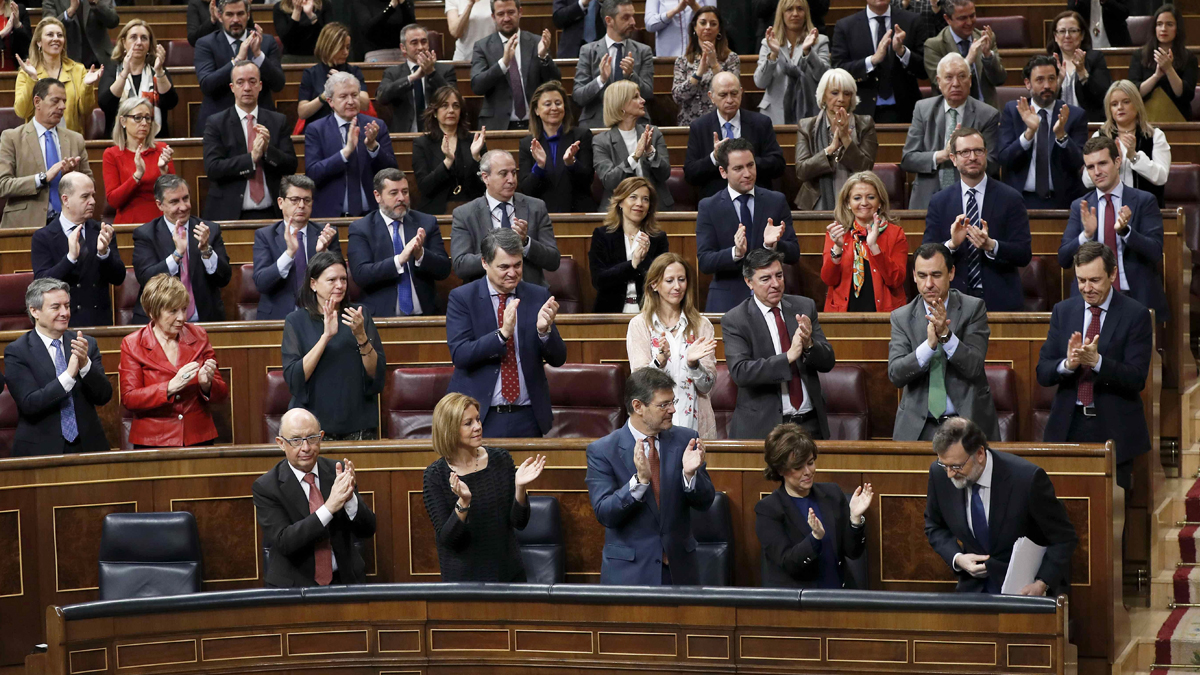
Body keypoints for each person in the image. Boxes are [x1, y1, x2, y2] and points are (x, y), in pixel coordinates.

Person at [585, 366, 716, 585]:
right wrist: (639, 482)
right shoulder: (603, 451)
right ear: (638, 406)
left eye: (672, 402)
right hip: (629, 574)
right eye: (663, 405)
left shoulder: (686, 439)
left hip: (679, 572)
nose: (673, 410)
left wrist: (690, 475)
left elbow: (705, 502)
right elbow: (605, 513)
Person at [1038, 242, 1152, 489]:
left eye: (1094, 280)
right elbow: (1043, 372)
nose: (1086, 288)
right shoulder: (1063, 311)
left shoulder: (1136, 314)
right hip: (1068, 426)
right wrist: (1067, 365)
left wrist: (1097, 362)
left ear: (1112, 274)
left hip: (1114, 429)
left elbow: (1137, 377)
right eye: (1081, 280)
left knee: (1112, 515)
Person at [924, 416, 1077, 595]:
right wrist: (958, 558)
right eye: (944, 465)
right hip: (972, 591)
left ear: (980, 454)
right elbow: (934, 525)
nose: (950, 474)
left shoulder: (1026, 479)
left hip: (1023, 591)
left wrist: (1041, 584)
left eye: (956, 466)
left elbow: (1064, 538)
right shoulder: (939, 474)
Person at [445, 228, 567, 438]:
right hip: (480, 416)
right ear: (485, 263)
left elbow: (558, 359)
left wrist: (544, 331)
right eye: (504, 267)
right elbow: (460, 354)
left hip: (528, 416)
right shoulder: (463, 298)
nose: (513, 272)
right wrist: (501, 335)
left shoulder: (537, 296)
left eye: (517, 265)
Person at [422, 392, 547, 581]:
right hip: (464, 582)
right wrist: (464, 503)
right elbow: (449, 540)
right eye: (468, 423)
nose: (478, 427)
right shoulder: (435, 476)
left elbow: (519, 523)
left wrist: (520, 489)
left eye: (478, 420)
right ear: (449, 429)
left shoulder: (501, 460)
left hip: (507, 575)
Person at [252, 407, 378, 587]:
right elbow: (285, 541)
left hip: (344, 582)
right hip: (294, 587)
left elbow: (367, 529)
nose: (306, 448)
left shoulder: (337, 472)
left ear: (321, 437)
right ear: (281, 443)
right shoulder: (267, 487)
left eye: (312, 439)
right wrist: (329, 508)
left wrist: (350, 499)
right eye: (296, 441)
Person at [888, 243, 998, 441]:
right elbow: (896, 374)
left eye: (936, 275)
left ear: (951, 273)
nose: (929, 284)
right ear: (913, 276)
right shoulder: (901, 317)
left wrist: (946, 336)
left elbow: (974, 366)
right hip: (918, 428)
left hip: (965, 425)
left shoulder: (972, 309)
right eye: (922, 276)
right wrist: (929, 346)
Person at [722, 248, 835, 439]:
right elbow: (741, 372)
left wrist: (808, 345)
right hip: (764, 428)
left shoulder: (804, 307)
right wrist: (788, 358)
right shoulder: (735, 319)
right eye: (765, 279)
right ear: (749, 282)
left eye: (779, 276)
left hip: (809, 425)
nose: (775, 284)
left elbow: (827, 361)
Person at [1059, 135, 1168, 323]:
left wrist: (1126, 232)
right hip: (1092, 302)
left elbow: (1156, 252)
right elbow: (1063, 258)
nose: (1097, 172)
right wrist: (1086, 235)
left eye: (1102, 163)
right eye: (1091, 167)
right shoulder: (1081, 206)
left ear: (1117, 162)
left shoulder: (1144, 201)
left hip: (1135, 297)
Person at [282, 251, 387, 440]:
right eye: (332, 280)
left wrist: (361, 336)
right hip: (314, 428)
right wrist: (326, 337)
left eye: (343, 279)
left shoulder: (359, 316)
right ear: (313, 284)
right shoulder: (296, 321)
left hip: (358, 423)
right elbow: (294, 377)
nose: (340, 285)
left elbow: (376, 373)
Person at [923, 127, 1031, 311]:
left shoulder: (1010, 198)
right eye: (965, 152)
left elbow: (1023, 254)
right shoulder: (939, 202)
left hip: (1000, 301)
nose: (972, 157)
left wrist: (992, 246)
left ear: (986, 154)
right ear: (953, 159)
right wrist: (951, 245)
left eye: (978, 151)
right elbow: (926, 255)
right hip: (953, 302)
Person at [4, 277, 111, 456]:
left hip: (89, 447)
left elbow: (104, 396)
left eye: (67, 306)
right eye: (56, 307)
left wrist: (85, 366)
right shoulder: (18, 351)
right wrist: (68, 376)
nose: (65, 313)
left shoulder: (85, 344)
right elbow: (29, 404)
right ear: (35, 311)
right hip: (40, 451)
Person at [119, 273, 228, 448]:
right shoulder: (133, 344)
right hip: (153, 441)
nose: (182, 318)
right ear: (153, 312)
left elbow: (222, 393)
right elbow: (130, 399)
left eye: (184, 309)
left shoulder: (199, 336)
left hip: (198, 438)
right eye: (173, 311)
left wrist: (207, 385)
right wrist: (169, 387)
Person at [756, 424, 872, 588]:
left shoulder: (832, 494)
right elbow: (788, 563)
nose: (808, 471)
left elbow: (853, 553)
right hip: (801, 603)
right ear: (781, 470)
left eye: (810, 463)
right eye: (798, 467)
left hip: (841, 596)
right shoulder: (768, 510)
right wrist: (815, 538)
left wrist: (855, 520)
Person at [696, 137, 799, 313]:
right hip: (727, 300)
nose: (747, 173)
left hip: (770, 299)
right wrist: (735, 253)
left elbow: (794, 253)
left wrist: (772, 245)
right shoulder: (709, 206)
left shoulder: (776, 201)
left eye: (750, 165)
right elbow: (705, 261)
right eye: (738, 168)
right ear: (723, 171)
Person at [625, 253, 718, 437]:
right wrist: (659, 361)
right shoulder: (639, 325)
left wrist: (694, 365)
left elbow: (707, 386)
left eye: (681, 279)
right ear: (654, 284)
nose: (677, 287)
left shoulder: (702, 325)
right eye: (669, 281)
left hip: (696, 427)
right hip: (654, 429)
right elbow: (639, 386)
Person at [900, 53, 999, 210]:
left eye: (961, 76)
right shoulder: (922, 109)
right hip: (927, 199)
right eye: (949, 77)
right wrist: (943, 155)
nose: (956, 83)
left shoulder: (987, 115)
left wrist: (964, 155)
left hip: (972, 199)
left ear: (970, 80)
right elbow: (908, 159)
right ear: (938, 82)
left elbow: (992, 164)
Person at [202, 61, 299, 222]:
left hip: (272, 213)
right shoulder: (216, 122)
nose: (247, 88)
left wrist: (267, 150)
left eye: (252, 81)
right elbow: (212, 168)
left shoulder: (277, 121)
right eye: (240, 82)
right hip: (230, 213)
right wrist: (250, 158)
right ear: (232, 87)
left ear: (260, 86)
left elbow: (291, 166)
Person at [348, 168, 452, 317]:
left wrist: (421, 255)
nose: (401, 198)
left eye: (405, 192)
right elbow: (361, 274)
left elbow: (444, 270)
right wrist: (398, 260)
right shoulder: (361, 229)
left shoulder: (426, 222)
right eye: (393, 193)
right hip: (381, 318)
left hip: (425, 316)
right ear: (377, 196)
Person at [450, 149, 560, 287]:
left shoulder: (536, 207)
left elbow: (553, 260)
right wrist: (496, 255)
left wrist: (525, 242)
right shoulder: (465, 214)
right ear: (485, 177)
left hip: (529, 294)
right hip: (484, 296)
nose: (511, 180)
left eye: (513, 173)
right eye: (503, 174)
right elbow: (461, 265)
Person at [132, 175, 233, 323]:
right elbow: (147, 279)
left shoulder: (209, 229)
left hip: (205, 322)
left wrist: (206, 250)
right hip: (159, 323)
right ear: (159, 205)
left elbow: (224, 278)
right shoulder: (146, 235)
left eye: (185, 198)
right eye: (174, 202)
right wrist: (177, 255)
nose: (184, 206)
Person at [31, 173, 124, 328]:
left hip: (99, 323)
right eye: (85, 196)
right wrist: (70, 259)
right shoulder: (43, 237)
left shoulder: (102, 231)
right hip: (63, 325)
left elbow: (119, 277)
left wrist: (104, 254)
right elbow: (41, 284)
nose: (93, 202)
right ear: (65, 199)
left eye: (93, 196)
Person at [997, 55, 1087, 210]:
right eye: (1040, 80)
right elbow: (1004, 158)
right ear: (1028, 83)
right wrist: (1028, 134)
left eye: (1052, 79)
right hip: (1019, 200)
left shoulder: (1073, 115)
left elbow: (1078, 163)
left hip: (1062, 202)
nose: (1047, 85)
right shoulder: (1013, 111)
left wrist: (1061, 136)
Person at [0, 77, 91, 229]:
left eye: (64, 101)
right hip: (25, 224)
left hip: (69, 225)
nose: (62, 106)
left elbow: (91, 185)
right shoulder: (12, 138)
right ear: (37, 102)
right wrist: (42, 178)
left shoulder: (76, 139)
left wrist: (72, 176)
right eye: (55, 101)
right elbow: (3, 185)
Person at [305, 71, 398, 219]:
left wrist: (373, 147)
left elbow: (392, 171)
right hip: (332, 217)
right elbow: (313, 174)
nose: (350, 101)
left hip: (372, 216)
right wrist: (345, 153)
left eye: (354, 95)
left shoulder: (375, 126)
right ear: (330, 101)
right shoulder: (316, 129)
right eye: (343, 96)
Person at [683, 71, 786, 199]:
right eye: (723, 95)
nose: (730, 100)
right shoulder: (700, 127)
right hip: (716, 202)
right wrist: (714, 158)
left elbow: (778, 165)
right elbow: (690, 174)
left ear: (741, 92)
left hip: (756, 197)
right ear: (711, 97)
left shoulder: (760, 123)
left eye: (734, 93)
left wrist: (747, 163)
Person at [252, 175, 341, 321]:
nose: (301, 206)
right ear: (281, 202)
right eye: (294, 200)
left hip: (319, 316)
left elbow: (339, 282)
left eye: (307, 200)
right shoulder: (265, 236)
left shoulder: (327, 234)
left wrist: (323, 254)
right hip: (278, 318)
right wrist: (289, 254)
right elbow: (261, 283)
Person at [193, 0, 285, 135]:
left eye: (240, 14)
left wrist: (258, 55)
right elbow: (207, 85)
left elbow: (278, 84)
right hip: (219, 124)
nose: (235, 20)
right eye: (229, 14)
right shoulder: (205, 44)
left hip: (260, 123)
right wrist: (237, 61)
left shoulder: (266, 42)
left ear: (248, 15)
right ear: (219, 16)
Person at [821, 171, 906, 312]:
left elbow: (896, 280)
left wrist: (874, 247)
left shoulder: (895, 234)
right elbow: (829, 280)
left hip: (885, 314)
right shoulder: (836, 234)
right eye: (857, 198)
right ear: (848, 203)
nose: (864, 203)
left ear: (880, 202)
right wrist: (837, 248)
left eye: (871, 197)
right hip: (843, 314)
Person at [830, 0, 927, 124]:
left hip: (905, 111)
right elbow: (838, 69)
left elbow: (925, 70)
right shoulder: (845, 26)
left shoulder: (912, 21)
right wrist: (872, 60)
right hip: (861, 111)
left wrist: (902, 52)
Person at [469, 0, 558, 132]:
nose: (506, 18)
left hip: (536, 124)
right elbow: (477, 86)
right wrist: (503, 64)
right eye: (500, 14)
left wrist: (543, 57)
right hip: (498, 126)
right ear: (493, 17)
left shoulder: (536, 42)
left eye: (511, 12)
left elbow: (555, 82)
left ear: (520, 12)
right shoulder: (482, 46)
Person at [794, 68, 876, 210]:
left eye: (847, 93)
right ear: (823, 95)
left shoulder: (865, 124)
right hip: (816, 202)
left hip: (857, 202)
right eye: (834, 93)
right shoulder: (807, 126)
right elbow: (802, 171)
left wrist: (845, 139)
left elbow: (865, 168)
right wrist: (830, 149)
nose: (841, 99)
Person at [1085, 80, 1170, 208]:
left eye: (1126, 102)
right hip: (1108, 210)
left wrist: (1134, 157)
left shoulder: (1154, 136)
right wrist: (1112, 163)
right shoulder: (1099, 136)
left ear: (1137, 104)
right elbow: (1087, 180)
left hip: (1145, 210)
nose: (1120, 107)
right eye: (1114, 104)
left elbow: (1161, 177)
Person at [591, 176, 669, 313]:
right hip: (610, 312)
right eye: (633, 197)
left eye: (645, 199)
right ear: (620, 202)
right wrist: (632, 264)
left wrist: (644, 261)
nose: (640, 203)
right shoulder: (602, 236)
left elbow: (661, 281)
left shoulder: (658, 238)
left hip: (649, 312)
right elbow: (599, 281)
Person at [573, 0, 655, 129]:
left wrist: (631, 75)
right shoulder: (588, 51)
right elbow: (579, 97)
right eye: (626, 18)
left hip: (635, 124)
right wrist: (601, 80)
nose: (633, 22)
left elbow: (648, 93)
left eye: (633, 16)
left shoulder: (643, 51)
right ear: (609, 20)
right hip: (598, 124)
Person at [517, 80, 596, 213]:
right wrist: (539, 167)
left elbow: (587, 181)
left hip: (577, 213)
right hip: (542, 215)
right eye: (548, 104)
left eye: (558, 103)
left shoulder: (581, 136)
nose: (554, 108)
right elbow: (526, 189)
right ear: (536, 110)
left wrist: (572, 163)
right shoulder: (527, 144)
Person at [593, 81, 672, 211]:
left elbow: (664, 174)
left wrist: (650, 152)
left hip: (655, 207)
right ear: (621, 104)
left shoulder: (653, 133)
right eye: (636, 97)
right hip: (619, 210)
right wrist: (635, 157)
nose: (643, 101)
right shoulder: (601, 141)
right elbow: (610, 181)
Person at [14, 18, 101, 135]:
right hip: (37, 142)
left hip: (70, 139)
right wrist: (32, 80)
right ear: (39, 42)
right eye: (50, 35)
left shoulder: (78, 70)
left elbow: (86, 111)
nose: (56, 38)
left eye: (59, 35)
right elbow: (22, 112)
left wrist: (87, 86)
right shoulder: (26, 73)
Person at [411, 86, 487, 216]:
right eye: (444, 106)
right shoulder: (422, 144)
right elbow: (425, 187)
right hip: (436, 210)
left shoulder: (474, 141)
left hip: (472, 209)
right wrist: (447, 162)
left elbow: (485, 185)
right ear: (435, 112)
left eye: (456, 106)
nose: (451, 110)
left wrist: (476, 159)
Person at [97, 20, 178, 138]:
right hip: (119, 142)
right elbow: (106, 104)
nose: (139, 42)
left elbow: (170, 102)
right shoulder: (112, 70)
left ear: (150, 45)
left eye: (144, 38)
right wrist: (124, 73)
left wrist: (160, 71)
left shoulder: (158, 70)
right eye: (133, 37)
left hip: (154, 141)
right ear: (124, 42)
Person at [104, 99, 177, 227]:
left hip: (160, 224)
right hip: (129, 226)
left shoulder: (161, 150)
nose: (144, 123)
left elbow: (174, 194)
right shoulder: (112, 154)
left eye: (147, 118)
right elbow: (113, 201)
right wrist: (137, 176)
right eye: (137, 118)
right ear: (123, 121)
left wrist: (164, 171)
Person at [754, 0, 828, 125]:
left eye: (800, 9)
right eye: (789, 9)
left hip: (811, 116)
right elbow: (760, 82)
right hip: (773, 116)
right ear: (781, 14)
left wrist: (808, 52)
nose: (795, 14)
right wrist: (773, 55)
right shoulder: (768, 43)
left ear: (806, 13)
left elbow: (824, 79)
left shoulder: (819, 41)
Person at [922, 0, 1003, 110]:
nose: (969, 22)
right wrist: (967, 61)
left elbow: (999, 79)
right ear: (947, 19)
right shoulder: (934, 46)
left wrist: (988, 56)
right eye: (962, 18)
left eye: (972, 16)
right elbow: (942, 85)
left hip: (986, 112)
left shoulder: (986, 38)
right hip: (953, 114)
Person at [377, 23, 456, 134]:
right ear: (403, 48)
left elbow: (454, 99)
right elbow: (381, 97)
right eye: (414, 43)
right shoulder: (393, 73)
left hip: (439, 135)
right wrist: (412, 77)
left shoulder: (445, 70)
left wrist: (432, 73)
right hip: (405, 135)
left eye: (424, 42)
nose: (420, 47)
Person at [671, 6, 740, 127]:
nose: (708, 27)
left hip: (722, 123)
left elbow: (734, 91)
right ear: (694, 27)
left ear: (719, 29)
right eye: (703, 23)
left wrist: (714, 65)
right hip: (690, 123)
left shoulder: (731, 58)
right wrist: (698, 74)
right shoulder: (683, 61)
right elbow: (678, 97)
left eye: (713, 24)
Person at [1128, 4, 1197, 123]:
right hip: (1145, 122)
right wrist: (1156, 76)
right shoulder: (1140, 55)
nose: (1163, 29)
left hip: (1178, 120)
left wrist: (1169, 69)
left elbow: (1185, 95)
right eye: (1159, 24)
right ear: (1154, 28)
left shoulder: (1189, 57)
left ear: (1177, 28)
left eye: (1169, 24)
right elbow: (1133, 93)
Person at [297, 23, 370, 126]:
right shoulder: (311, 74)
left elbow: (365, 104)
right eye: (341, 48)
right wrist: (325, 95)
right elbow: (302, 112)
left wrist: (345, 82)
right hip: (319, 129)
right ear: (328, 47)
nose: (346, 52)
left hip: (350, 127)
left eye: (348, 47)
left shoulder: (354, 71)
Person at [1048, 10, 1112, 124]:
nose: (1067, 36)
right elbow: (1042, 100)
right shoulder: (1049, 63)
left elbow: (1103, 97)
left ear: (1082, 35)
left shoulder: (1095, 59)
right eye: (1062, 31)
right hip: (1055, 125)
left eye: (1073, 31)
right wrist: (1058, 83)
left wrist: (1082, 73)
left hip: (1088, 124)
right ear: (1055, 36)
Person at [41, 0, 117, 69]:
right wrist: (70, 12)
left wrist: (96, 4)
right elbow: (48, 27)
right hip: (67, 60)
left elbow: (113, 21)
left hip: (101, 59)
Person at [349, 0, 417, 60]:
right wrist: (390, 8)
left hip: (402, 52)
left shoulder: (403, 3)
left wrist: (404, 4)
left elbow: (411, 27)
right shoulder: (362, 2)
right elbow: (368, 29)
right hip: (377, 52)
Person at [0, 1, 32, 73]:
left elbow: (29, 45)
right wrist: (3, 32)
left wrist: (17, 24)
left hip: (16, 68)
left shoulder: (18, 9)